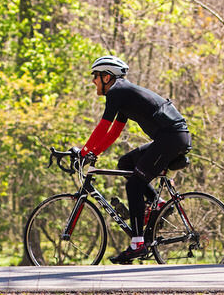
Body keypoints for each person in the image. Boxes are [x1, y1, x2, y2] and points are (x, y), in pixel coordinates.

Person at [78, 55, 192, 264]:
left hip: (171, 137)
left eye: (95, 76)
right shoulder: (123, 94)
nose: (93, 81)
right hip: (171, 137)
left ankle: (137, 243)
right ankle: (157, 205)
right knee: (126, 164)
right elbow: (113, 133)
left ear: (106, 77)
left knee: (134, 185)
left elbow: (103, 126)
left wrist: (84, 152)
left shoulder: (117, 92)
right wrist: (94, 152)